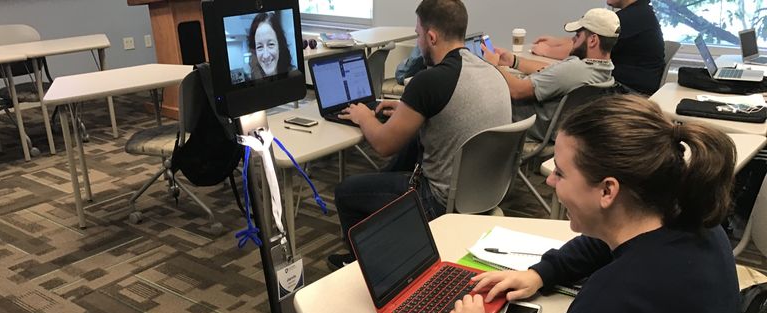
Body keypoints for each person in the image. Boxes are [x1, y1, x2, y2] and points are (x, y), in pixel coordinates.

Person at [448, 94, 740, 313]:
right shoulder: (695, 221)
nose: (550, 182)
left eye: (560, 172)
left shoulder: (619, 300)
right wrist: (542, 273)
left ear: (607, 190)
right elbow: (603, 239)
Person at [327, 0, 512, 270]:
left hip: (438, 200)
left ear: (432, 36)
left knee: (346, 193)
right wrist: (406, 109)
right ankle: (391, 245)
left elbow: (382, 144)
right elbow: (451, 111)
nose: (418, 40)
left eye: (418, 34)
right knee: (410, 146)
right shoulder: (490, 71)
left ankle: (365, 267)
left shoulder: (429, 80)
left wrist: (364, 117)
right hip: (485, 193)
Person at [482, 8, 618, 142]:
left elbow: (517, 90)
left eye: (577, 35)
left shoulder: (575, 69)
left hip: (528, 123)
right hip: (558, 128)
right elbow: (552, 71)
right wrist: (513, 61)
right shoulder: (604, 68)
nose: (573, 39)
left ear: (593, 40)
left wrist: (493, 66)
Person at [532, 0, 665, 95]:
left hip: (629, 93)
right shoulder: (641, 13)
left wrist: (546, 51)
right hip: (630, 87)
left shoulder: (628, 19)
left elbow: (582, 49)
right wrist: (556, 42)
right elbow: (586, 39)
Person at [248, 12, 294, 79]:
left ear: (279, 46)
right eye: (259, 47)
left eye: (271, 44)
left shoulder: (293, 75)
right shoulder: (253, 80)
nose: (266, 56)